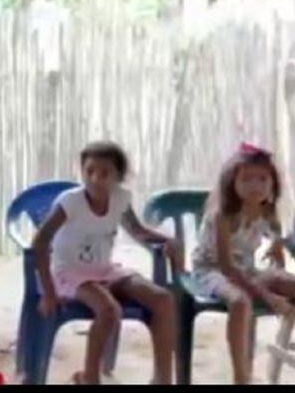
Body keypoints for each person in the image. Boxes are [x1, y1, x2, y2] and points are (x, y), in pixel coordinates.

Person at [31, 141, 180, 385]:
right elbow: (40, 242)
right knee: (110, 310)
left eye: (104, 174)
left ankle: (163, 378)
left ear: (118, 177)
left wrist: (167, 240)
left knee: (163, 299)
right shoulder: (70, 202)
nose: (95, 180)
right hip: (70, 273)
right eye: (89, 172)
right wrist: (48, 292)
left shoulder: (120, 199)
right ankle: (90, 377)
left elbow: (138, 231)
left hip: (105, 270)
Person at [189, 142, 295, 384]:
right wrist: (269, 297)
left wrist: (276, 245)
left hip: (246, 270)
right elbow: (227, 268)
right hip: (213, 271)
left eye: (262, 179)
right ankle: (241, 376)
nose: (255, 186)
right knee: (240, 302)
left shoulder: (267, 211)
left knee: (288, 282)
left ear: (273, 184)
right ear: (232, 183)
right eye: (246, 179)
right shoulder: (223, 215)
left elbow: (276, 231)